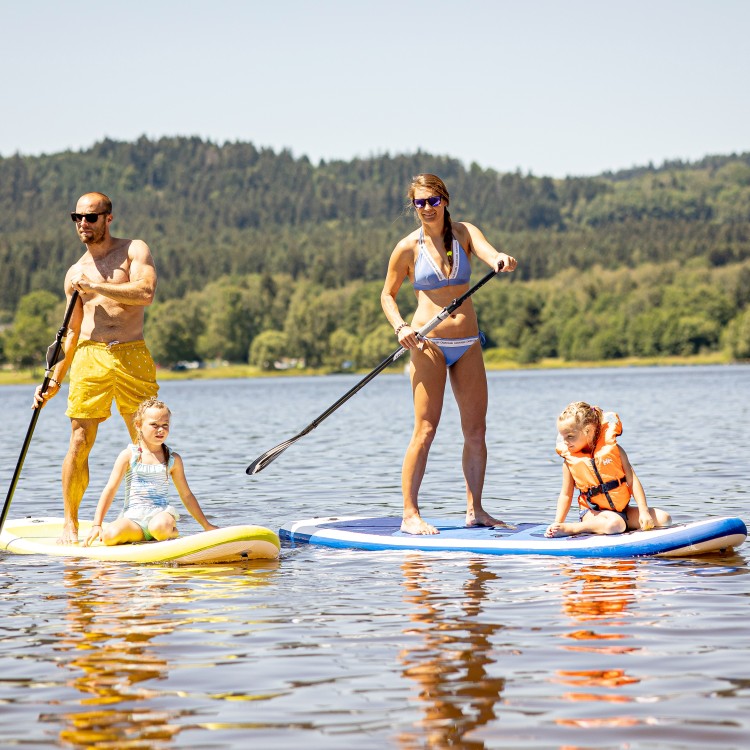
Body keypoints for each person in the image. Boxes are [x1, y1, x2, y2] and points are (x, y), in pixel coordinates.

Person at [380, 173, 517, 535]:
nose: (426, 208)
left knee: (476, 430)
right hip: (428, 344)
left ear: (445, 200)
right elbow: (387, 295)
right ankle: (410, 513)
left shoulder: (465, 233)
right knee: (425, 429)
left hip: (468, 342)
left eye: (433, 201)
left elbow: (490, 255)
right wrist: (400, 328)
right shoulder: (407, 247)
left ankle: (476, 510)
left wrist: (501, 258)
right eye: (419, 203)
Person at [34, 192, 159, 544]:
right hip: (90, 357)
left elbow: (146, 292)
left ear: (109, 218)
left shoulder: (134, 250)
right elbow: (71, 331)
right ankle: (70, 523)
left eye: (90, 217)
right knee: (79, 440)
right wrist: (53, 380)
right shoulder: (74, 273)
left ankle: (145, 516)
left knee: (146, 440)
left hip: (132, 353)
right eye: (77, 218)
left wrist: (97, 286)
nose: (83, 224)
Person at [84, 398, 217, 546]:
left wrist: (206, 526)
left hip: (160, 516)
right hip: (134, 520)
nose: (160, 429)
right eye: (154, 425)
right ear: (138, 425)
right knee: (109, 536)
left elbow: (186, 495)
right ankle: (144, 537)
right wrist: (97, 525)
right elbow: (110, 489)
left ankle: (170, 532)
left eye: (165, 425)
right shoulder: (128, 456)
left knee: (159, 527)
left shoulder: (173, 459)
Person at [545, 401, 671, 538]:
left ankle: (619, 525)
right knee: (615, 524)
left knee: (664, 518)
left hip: (622, 512)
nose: (565, 442)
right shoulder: (569, 462)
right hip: (592, 514)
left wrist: (643, 511)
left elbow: (632, 480)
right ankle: (574, 528)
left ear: (588, 431)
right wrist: (558, 523)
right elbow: (566, 495)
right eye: (563, 437)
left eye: (570, 437)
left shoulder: (615, 451)